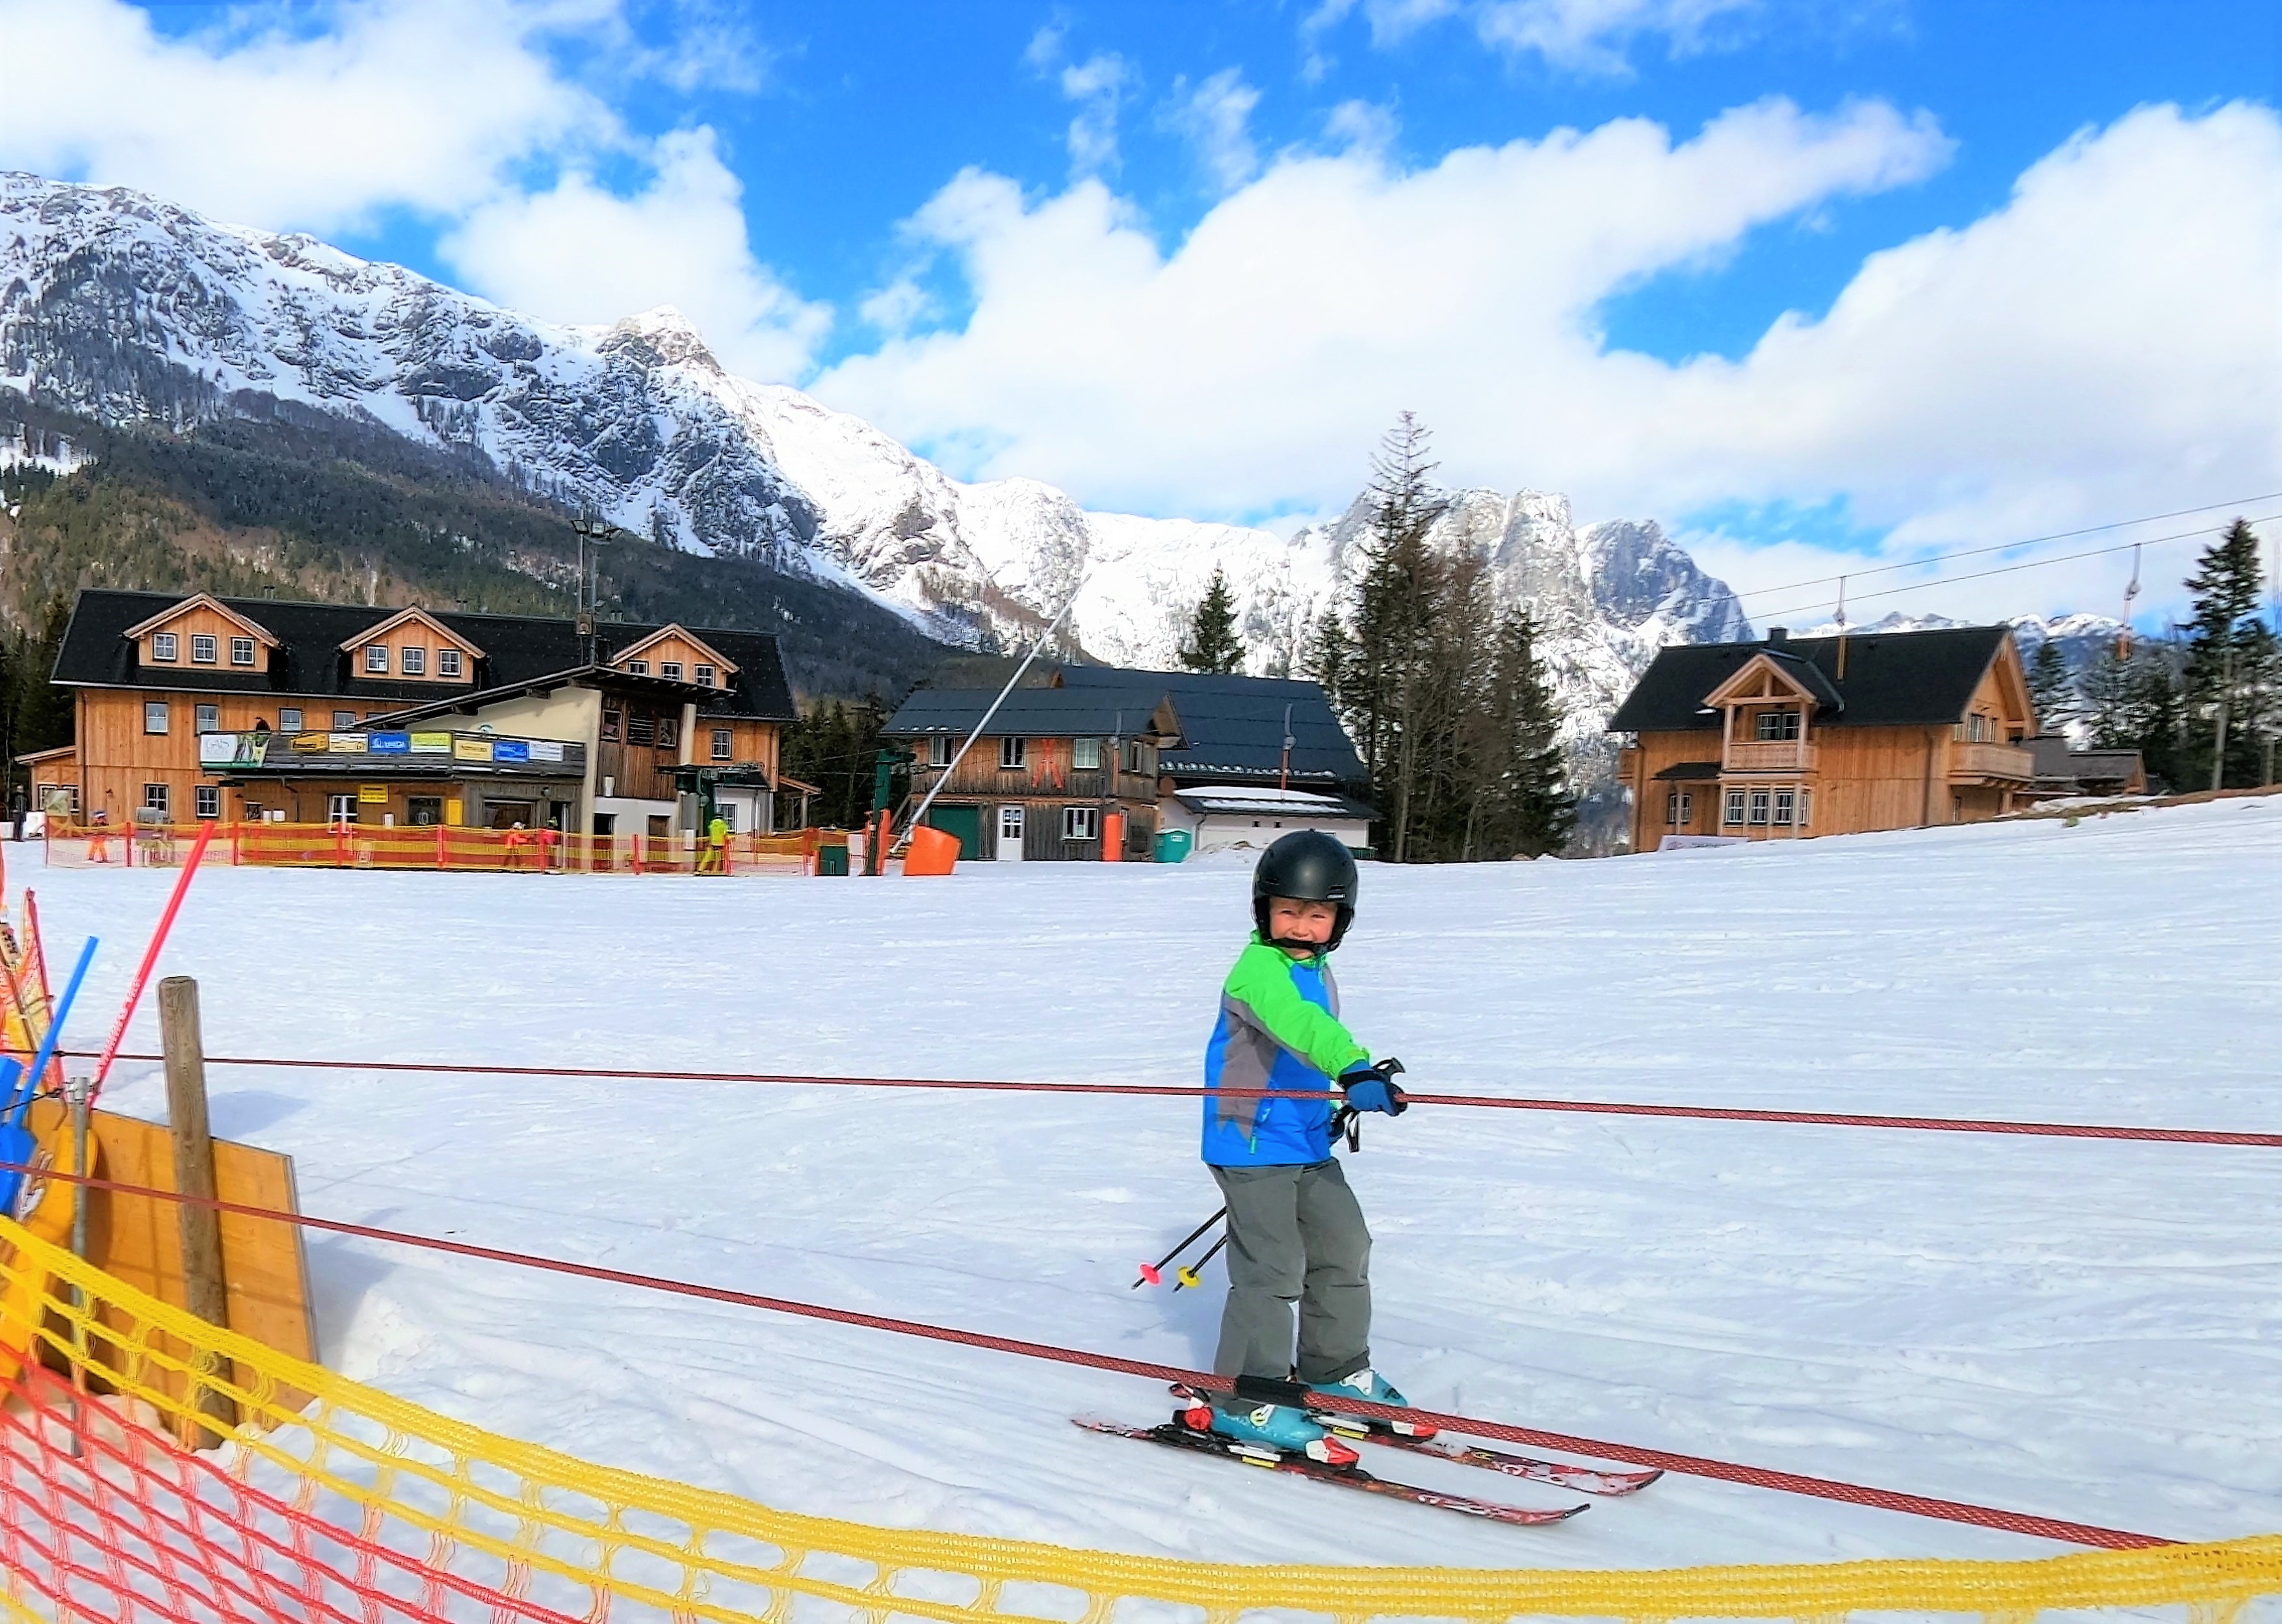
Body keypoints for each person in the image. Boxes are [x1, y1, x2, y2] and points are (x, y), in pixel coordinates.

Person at [1195, 830, 1417, 1464]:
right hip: (1249, 1141)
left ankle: (1333, 1367)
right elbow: (1302, 1027)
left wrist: (1347, 1091)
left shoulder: (1317, 967)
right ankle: (1247, 1398)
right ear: (1263, 909)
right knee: (1272, 1270)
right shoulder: (1257, 970)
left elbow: (1303, 1048)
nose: (1301, 925)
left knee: (1344, 1245)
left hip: (1303, 1137)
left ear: (1337, 920)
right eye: (1288, 910)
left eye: (1317, 914)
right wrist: (1354, 1067)